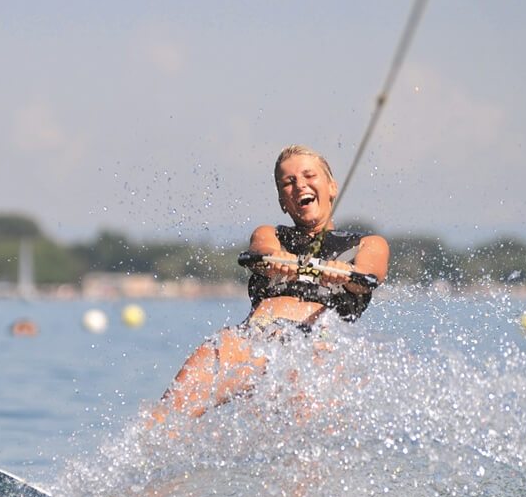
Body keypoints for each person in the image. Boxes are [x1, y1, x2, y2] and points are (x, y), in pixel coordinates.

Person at [150, 144, 390, 423]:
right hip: (255, 339)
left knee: (302, 434)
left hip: (317, 347)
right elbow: (262, 249)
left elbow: (369, 276)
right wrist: (274, 260)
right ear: (282, 202)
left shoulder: (367, 244)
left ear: (332, 187)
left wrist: (345, 274)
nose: (300, 185)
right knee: (167, 415)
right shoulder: (270, 234)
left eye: (309, 176)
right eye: (288, 182)